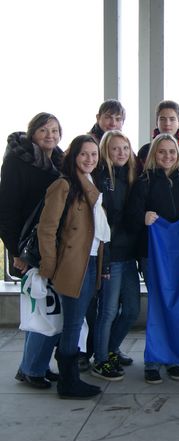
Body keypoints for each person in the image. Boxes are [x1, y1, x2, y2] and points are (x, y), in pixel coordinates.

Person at [38, 134, 110, 399]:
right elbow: (46, 229)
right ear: (73, 156)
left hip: (91, 261)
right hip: (73, 264)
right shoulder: (64, 185)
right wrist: (50, 266)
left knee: (77, 323)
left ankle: (69, 378)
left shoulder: (90, 182)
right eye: (84, 154)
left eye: (94, 154)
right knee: (73, 324)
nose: (89, 159)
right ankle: (68, 383)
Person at [128, 133, 179, 384]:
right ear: (153, 155)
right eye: (162, 152)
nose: (167, 156)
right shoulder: (144, 181)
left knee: (176, 304)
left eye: (172, 152)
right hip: (153, 255)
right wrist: (143, 216)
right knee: (158, 306)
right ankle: (153, 360)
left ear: (178, 156)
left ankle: (173, 358)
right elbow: (131, 213)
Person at [0, 113, 64, 389]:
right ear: (32, 133)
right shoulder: (17, 162)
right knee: (41, 309)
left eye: (54, 130)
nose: (50, 135)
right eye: (43, 130)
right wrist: (16, 253)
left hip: (50, 245)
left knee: (44, 311)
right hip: (29, 249)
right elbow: (7, 211)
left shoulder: (58, 160)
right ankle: (32, 370)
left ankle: (33, 365)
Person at [90, 131, 141, 381]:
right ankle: (100, 360)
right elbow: (102, 224)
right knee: (108, 311)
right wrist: (105, 258)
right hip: (110, 255)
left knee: (131, 309)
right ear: (105, 152)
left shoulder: (132, 176)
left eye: (125, 148)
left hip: (129, 254)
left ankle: (111, 348)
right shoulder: (101, 179)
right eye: (115, 149)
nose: (121, 153)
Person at [83, 98, 127, 372]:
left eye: (118, 118)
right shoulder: (92, 163)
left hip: (123, 249)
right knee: (98, 310)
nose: (113, 122)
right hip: (98, 250)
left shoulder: (127, 168)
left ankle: (107, 349)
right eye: (108, 117)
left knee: (122, 309)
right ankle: (97, 356)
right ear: (99, 117)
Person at [137, 100, 179, 191]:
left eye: (172, 119)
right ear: (157, 122)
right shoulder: (145, 152)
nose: (167, 123)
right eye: (162, 119)